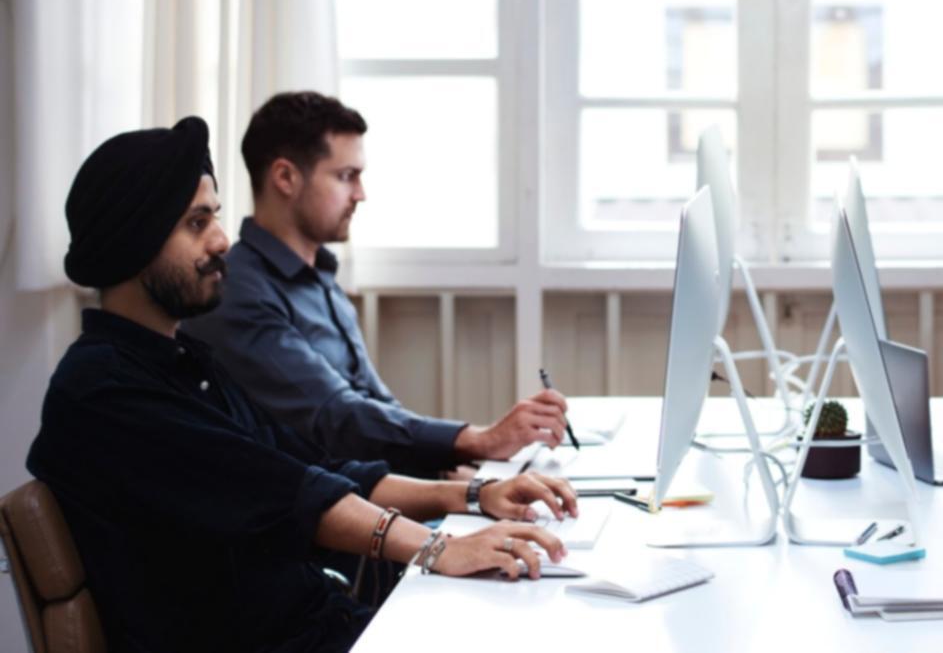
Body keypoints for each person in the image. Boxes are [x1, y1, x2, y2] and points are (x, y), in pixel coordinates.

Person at [28, 117, 580, 653]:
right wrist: (439, 548)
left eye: (214, 218)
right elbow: (292, 495)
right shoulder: (102, 392)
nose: (222, 241)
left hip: (316, 624)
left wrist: (475, 495)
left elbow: (318, 469)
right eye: (197, 224)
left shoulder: (183, 363)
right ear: (132, 242)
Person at [182, 92, 567, 475]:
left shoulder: (321, 279)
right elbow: (336, 419)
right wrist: (477, 440)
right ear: (285, 177)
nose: (360, 194)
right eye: (346, 176)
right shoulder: (236, 291)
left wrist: (453, 472)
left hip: (374, 495)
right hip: (324, 516)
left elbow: (378, 408)